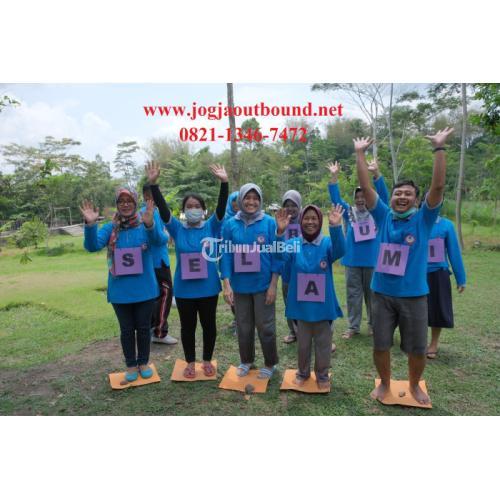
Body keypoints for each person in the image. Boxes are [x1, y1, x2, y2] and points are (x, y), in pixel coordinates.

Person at [353, 128, 454, 405]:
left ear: (416, 200)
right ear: (391, 197)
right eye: (398, 193)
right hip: (382, 294)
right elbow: (366, 187)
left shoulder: (424, 220)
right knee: (380, 344)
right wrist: (360, 153)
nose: (401, 197)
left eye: (408, 194)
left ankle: (414, 385)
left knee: (417, 349)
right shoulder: (383, 215)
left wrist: (439, 149)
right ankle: (385, 383)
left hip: (414, 296)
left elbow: (438, 187)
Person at [146, 161, 229, 379]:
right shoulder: (177, 229)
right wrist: (154, 185)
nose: (193, 209)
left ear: (203, 210)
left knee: (209, 326)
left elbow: (221, 209)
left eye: (197, 206)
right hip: (184, 290)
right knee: (188, 327)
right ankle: (190, 362)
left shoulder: (211, 226)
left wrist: (224, 183)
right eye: (189, 206)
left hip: (208, 288)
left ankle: (207, 360)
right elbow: (164, 211)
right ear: (183, 211)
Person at [80, 188, 165, 383]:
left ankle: (143, 363)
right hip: (120, 291)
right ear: (117, 204)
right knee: (126, 330)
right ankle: (131, 365)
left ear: (135, 203)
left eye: (129, 200)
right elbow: (92, 246)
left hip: (145, 289)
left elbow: (160, 241)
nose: (125, 204)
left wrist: (151, 224)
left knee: (143, 328)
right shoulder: (110, 228)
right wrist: (90, 225)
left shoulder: (145, 224)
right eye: (121, 201)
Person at [275, 204, 346, 390]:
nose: (310, 222)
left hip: (323, 307)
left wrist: (336, 227)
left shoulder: (327, 243)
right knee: (303, 345)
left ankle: (322, 375)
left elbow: (340, 251)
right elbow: (279, 255)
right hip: (301, 307)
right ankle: (302, 373)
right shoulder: (293, 243)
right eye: (306, 218)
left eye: (314, 218)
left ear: (320, 221)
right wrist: (280, 233)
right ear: (300, 221)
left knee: (323, 344)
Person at [221, 183, 281, 379]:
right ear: (240, 200)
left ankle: (270, 363)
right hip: (240, 286)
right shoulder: (230, 224)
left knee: (266, 326)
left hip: (263, 285)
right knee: (243, 326)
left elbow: (277, 255)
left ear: (260, 200)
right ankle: (246, 360)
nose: (251, 202)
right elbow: (226, 255)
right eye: (247, 197)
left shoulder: (269, 223)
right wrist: (227, 283)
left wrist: (273, 285)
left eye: (255, 198)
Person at [327, 160, 389, 339]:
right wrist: (334, 177)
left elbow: (384, 197)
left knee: (373, 295)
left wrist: (376, 174)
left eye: (364, 196)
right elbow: (336, 201)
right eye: (358, 197)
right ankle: (353, 326)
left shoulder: (377, 212)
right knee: (353, 295)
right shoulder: (349, 212)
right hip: (352, 260)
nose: (361, 199)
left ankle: (373, 325)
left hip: (372, 261)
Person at [141, 184, 178, 345]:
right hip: (158, 261)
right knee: (165, 295)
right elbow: (158, 238)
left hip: (148, 262)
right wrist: (166, 235)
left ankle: (151, 329)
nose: (159, 196)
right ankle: (160, 332)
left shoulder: (141, 212)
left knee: (153, 296)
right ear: (147, 196)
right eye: (156, 194)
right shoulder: (152, 212)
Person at [426, 214, 466, 359]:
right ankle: (417, 342)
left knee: (437, 309)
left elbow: (454, 251)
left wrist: (461, 278)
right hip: (415, 273)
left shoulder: (447, 225)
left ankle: (433, 344)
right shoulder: (414, 221)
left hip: (438, 274)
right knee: (414, 309)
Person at [280, 189, 303, 344]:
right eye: (287, 205)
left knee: (304, 302)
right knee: (289, 302)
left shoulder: (306, 220)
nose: (290, 208)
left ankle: (306, 331)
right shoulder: (279, 222)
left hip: (303, 270)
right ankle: (293, 331)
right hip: (286, 270)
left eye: (294, 205)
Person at [220, 191, 239, 335]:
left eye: (239, 203)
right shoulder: (225, 220)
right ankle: (237, 317)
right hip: (229, 260)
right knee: (231, 291)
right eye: (234, 204)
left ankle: (242, 320)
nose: (237, 206)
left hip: (245, 261)